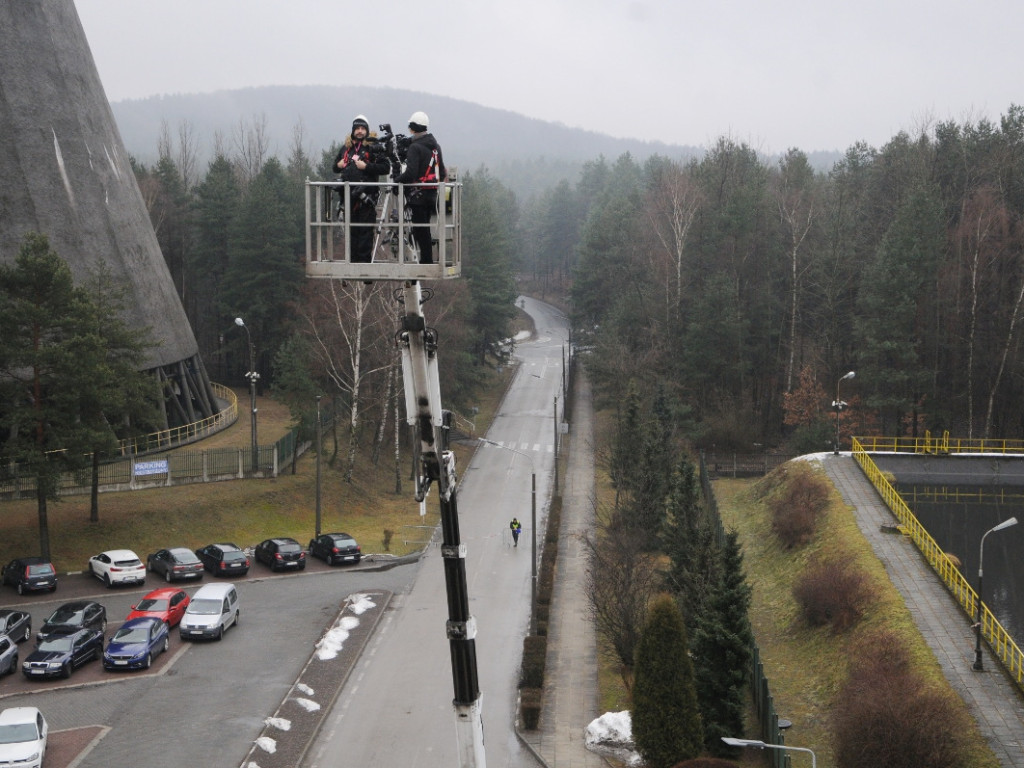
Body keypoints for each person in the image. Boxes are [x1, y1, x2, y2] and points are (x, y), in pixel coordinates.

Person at [332, 115, 391, 263]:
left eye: (362, 128)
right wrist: (339, 165)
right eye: (357, 128)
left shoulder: (373, 147)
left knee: (365, 232)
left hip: (366, 197)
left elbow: (385, 167)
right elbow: (334, 167)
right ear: (353, 130)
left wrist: (366, 166)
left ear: (367, 130)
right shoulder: (346, 148)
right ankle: (352, 263)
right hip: (348, 197)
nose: (359, 131)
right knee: (352, 232)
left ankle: (364, 266)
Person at [396, 111, 446, 264]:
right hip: (432, 195)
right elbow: (442, 171)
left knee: (420, 231)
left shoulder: (415, 147)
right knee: (425, 230)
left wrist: (396, 181)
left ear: (412, 128)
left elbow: (411, 173)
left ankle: (426, 261)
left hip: (417, 197)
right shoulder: (435, 146)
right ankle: (427, 259)